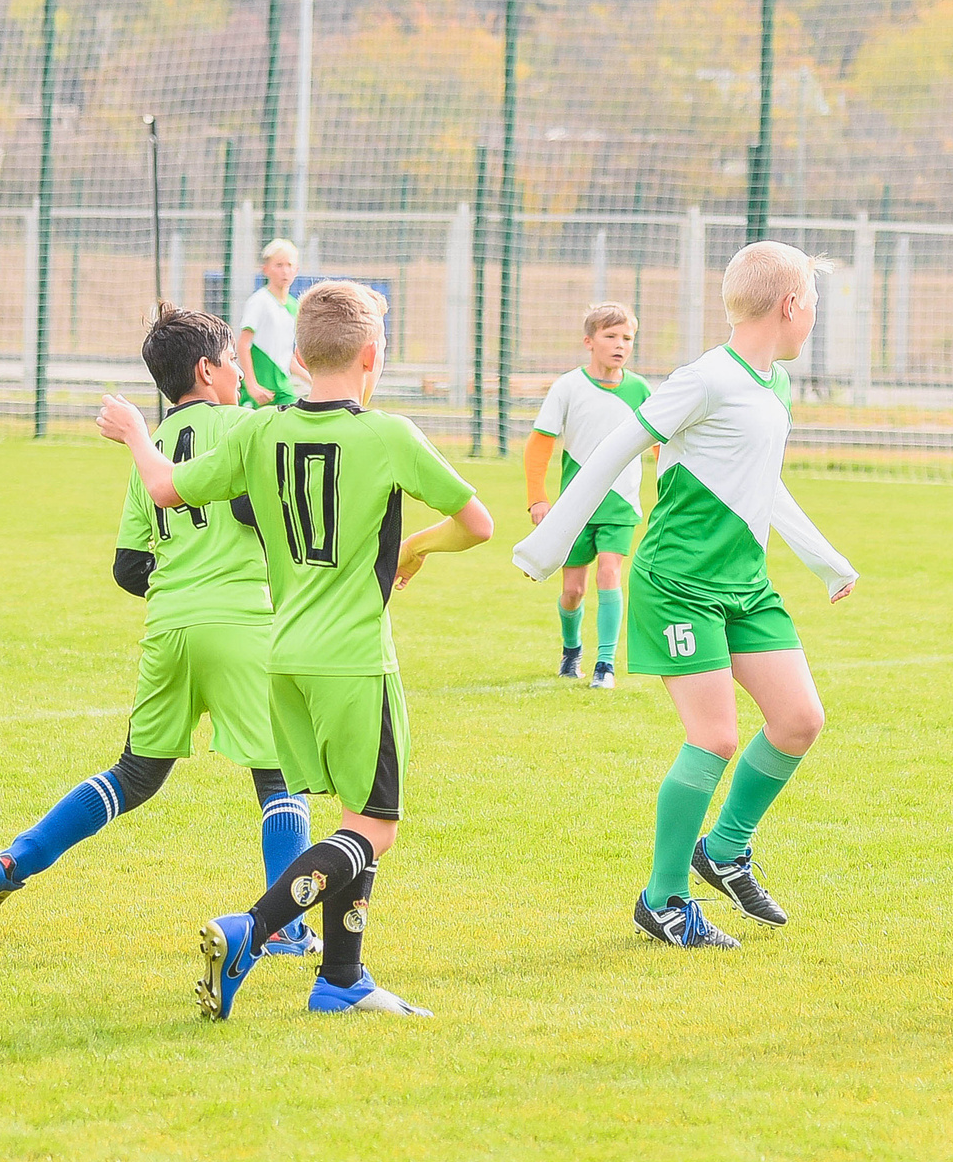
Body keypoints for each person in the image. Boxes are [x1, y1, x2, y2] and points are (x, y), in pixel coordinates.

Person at [96, 280, 494, 1019]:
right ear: (373, 355)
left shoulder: (256, 430)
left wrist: (135, 434)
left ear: (296, 357)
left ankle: (342, 979)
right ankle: (252, 929)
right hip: (355, 658)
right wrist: (419, 545)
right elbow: (479, 522)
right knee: (374, 826)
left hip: (283, 655)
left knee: (350, 818)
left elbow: (163, 488)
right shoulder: (390, 435)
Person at [514, 242, 858, 950]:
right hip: (678, 584)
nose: (815, 318)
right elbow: (613, 450)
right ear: (790, 305)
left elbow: (763, 483)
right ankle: (664, 898)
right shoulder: (703, 379)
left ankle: (725, 851)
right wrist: (546, 548)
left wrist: (825, 561)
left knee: (799, 719)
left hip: (745, 584)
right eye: (814, 304)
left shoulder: (776, 385)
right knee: (715, 737)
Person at [0, 307, 316, 958]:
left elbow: (130, 568)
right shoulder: (248, 425)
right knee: (282, 777)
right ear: (207, 369)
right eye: (234, 362)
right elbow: (254, 507)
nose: (241, 373)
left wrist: (185, 576)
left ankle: (11, 862)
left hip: (170, 628)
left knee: (133, 775)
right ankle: (289, 929)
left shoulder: (148, 453)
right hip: (243, 623)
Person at [526, 302, 653, 688]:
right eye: (610, 336)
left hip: (621, 504)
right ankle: (571, 651)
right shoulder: (568, 387)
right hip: (575, 507)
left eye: (627, 338)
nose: (620, 345)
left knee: (611, 574)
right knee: (572, 591)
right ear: (589, 341)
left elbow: (662, 446)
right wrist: (538, 498)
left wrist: (670, 490)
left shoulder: (641, 390)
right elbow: (539, 445)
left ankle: (605, 664)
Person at [236, 239, 305, 407]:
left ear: (296, 270)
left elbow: (285, 354)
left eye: (289, 265)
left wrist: (311, 379)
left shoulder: (294, 306)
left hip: (282, 389)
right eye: (279, 265)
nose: (285, 271)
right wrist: (251, 385)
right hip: (259, 389)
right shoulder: (259, 301)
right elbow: (244, 344)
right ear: (265, 269)